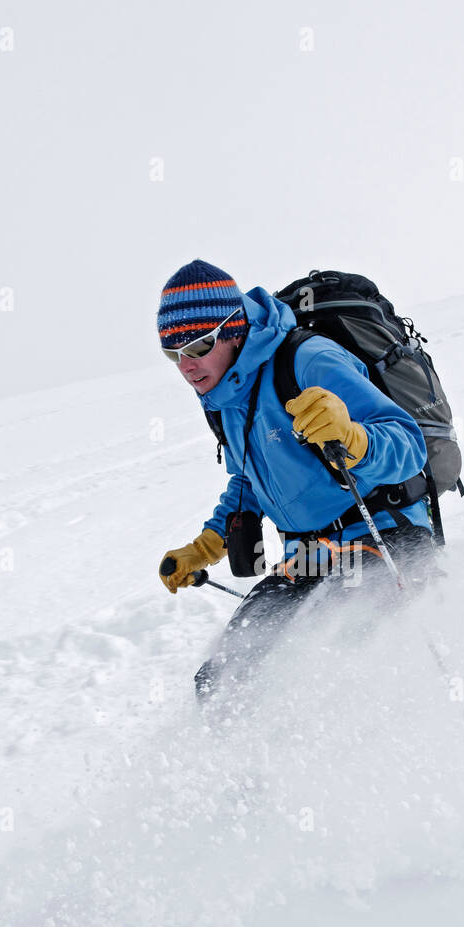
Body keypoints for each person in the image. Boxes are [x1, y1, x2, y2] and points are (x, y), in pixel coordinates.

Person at [157, 259, 437, 703]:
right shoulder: (223, 398)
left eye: (198, 346)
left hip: (382, 535)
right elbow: (249, 481)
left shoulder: (308, 360)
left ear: (233, 330)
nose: (186, 366)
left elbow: (408, 446)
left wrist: (353, 438)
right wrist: (206, 546)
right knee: (222, 678)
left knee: (322, 658)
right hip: (307, 557)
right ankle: (242, 771)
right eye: (173, 353)